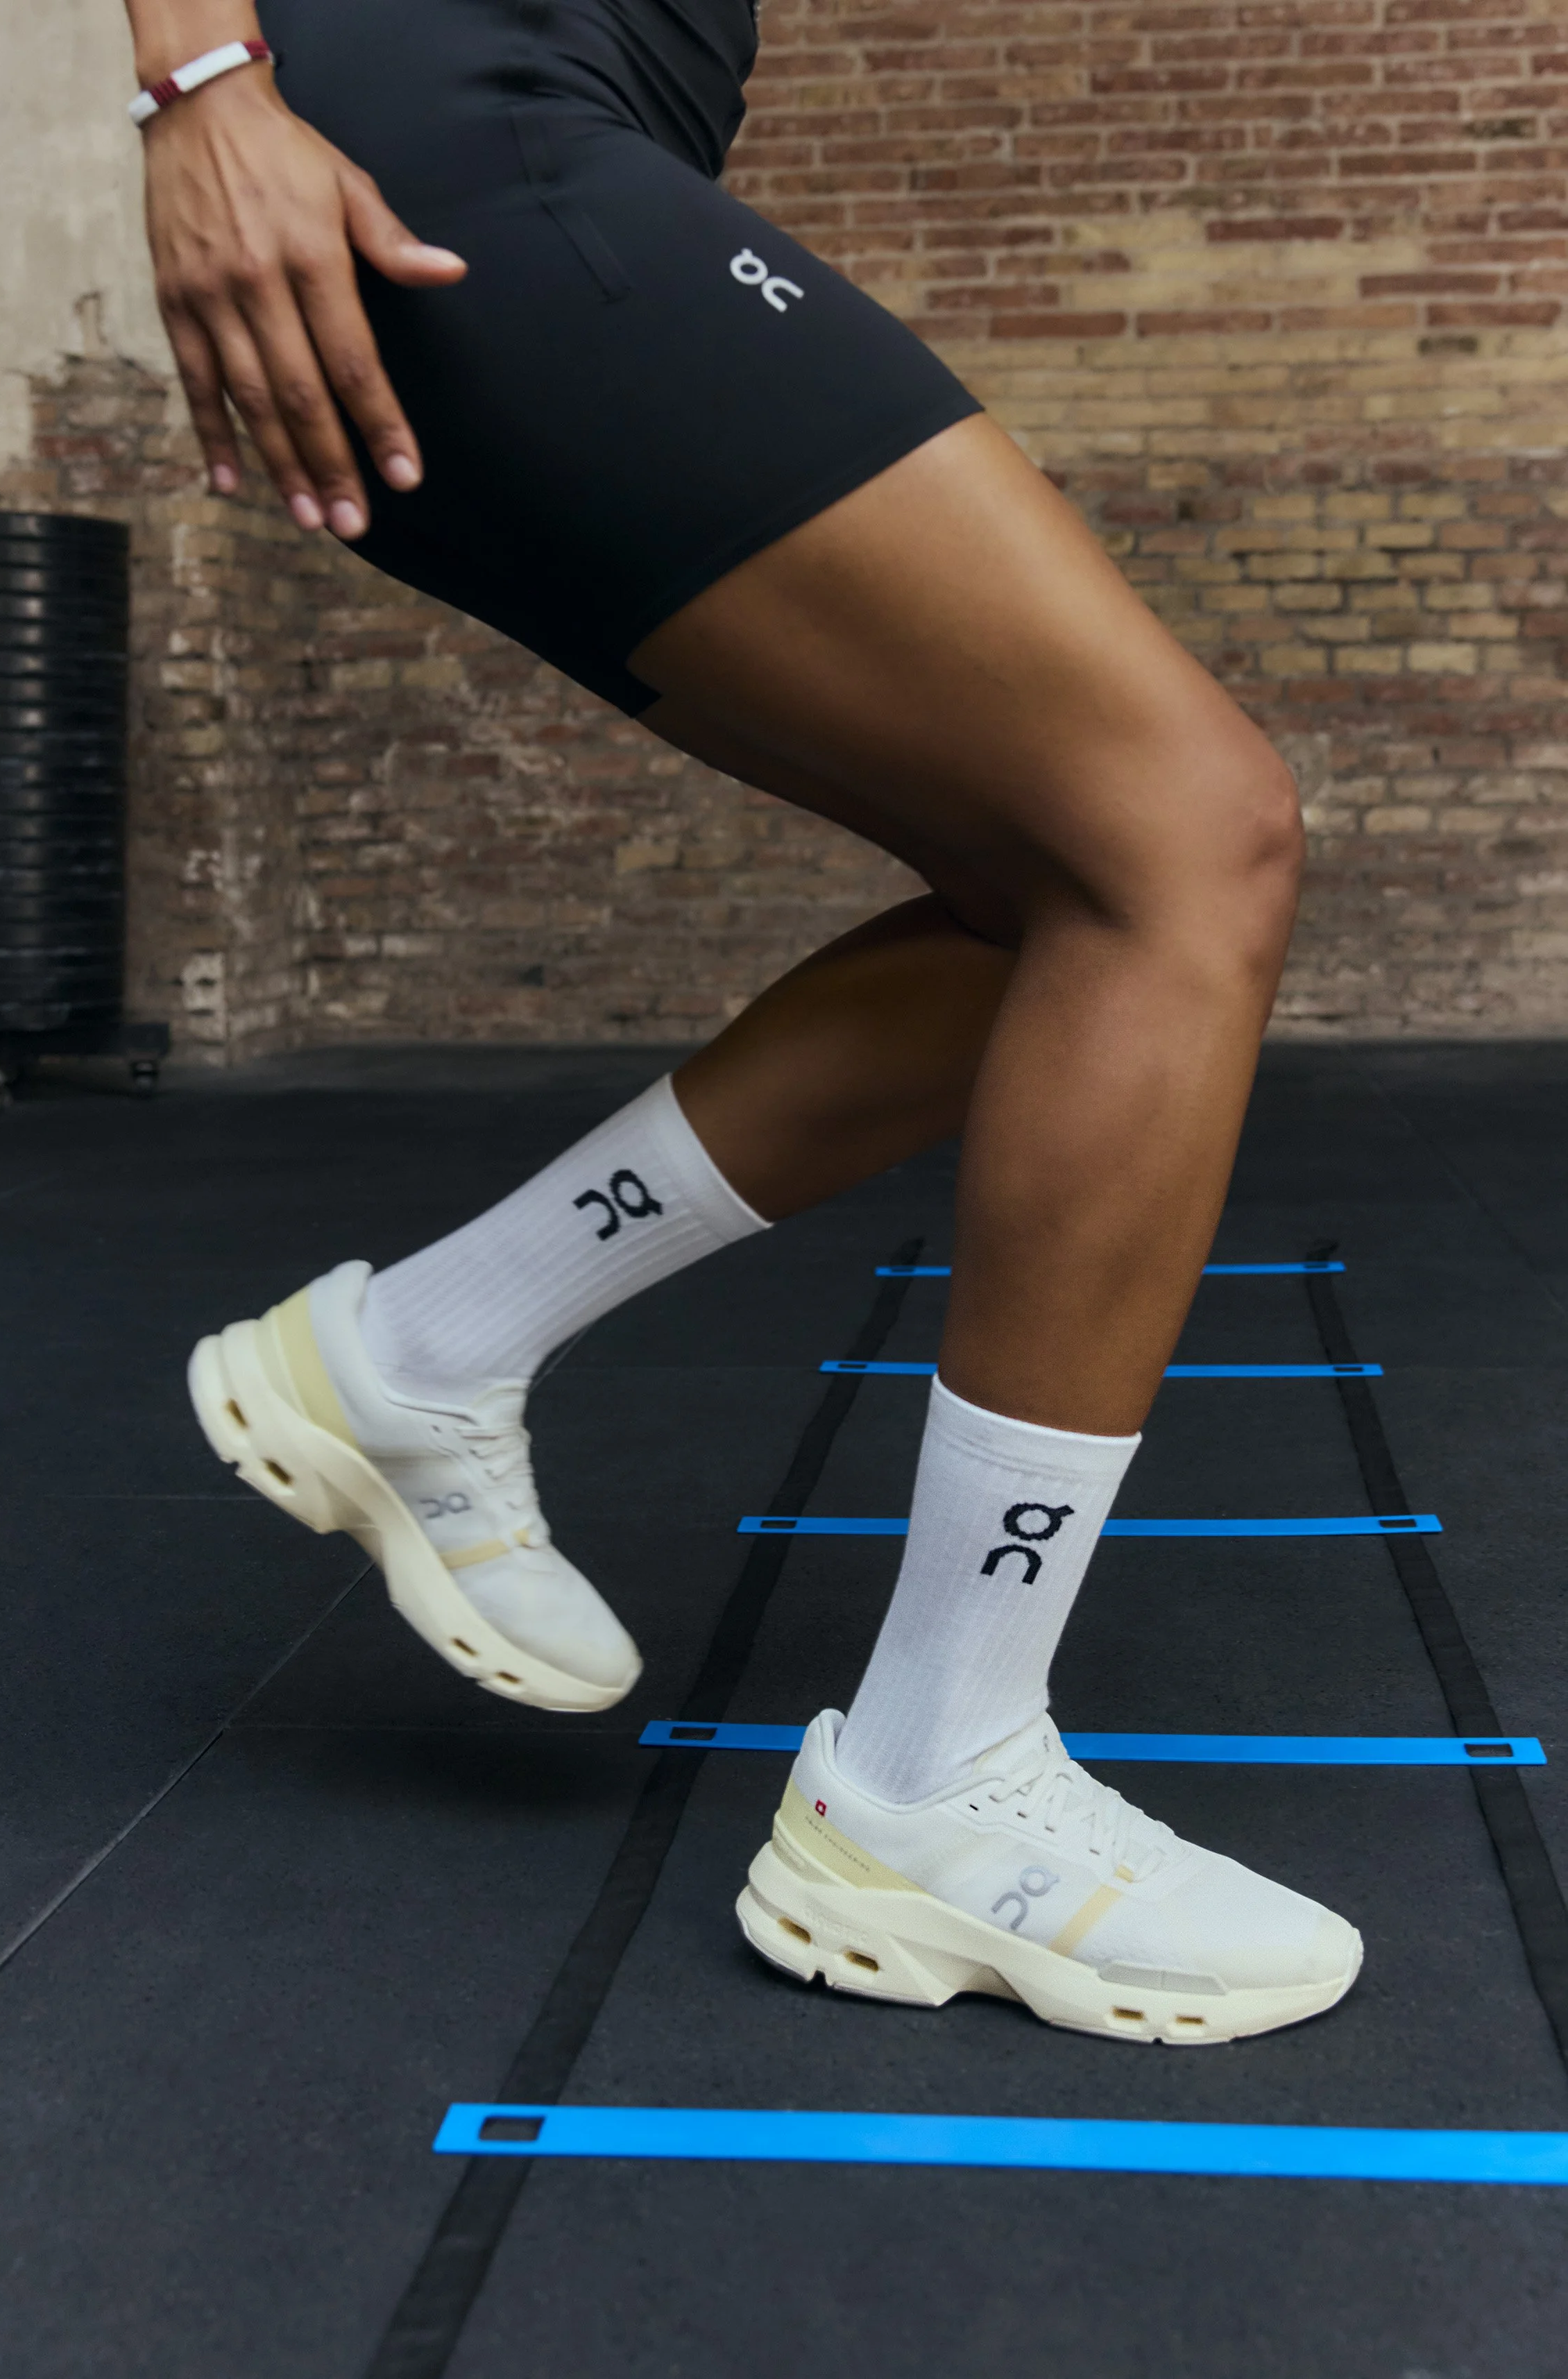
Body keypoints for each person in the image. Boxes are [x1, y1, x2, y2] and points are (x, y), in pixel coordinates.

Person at [125, 0, 1361, 2046]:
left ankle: (418, 1350)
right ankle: (931, 1782)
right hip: (453, 136)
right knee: (1186, 838)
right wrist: (198, 85)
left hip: (533, 154)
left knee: (1046, 901)